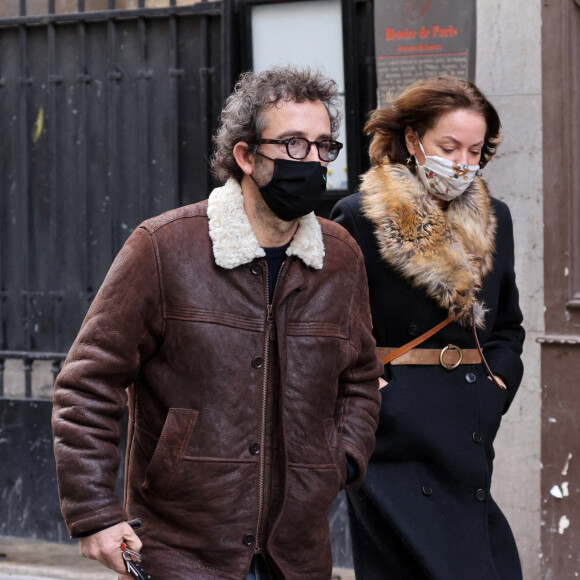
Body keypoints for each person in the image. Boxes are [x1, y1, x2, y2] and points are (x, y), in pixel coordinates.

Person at [52, 66, 383, 580]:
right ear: (246, 155)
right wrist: (95, 514)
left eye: (323, 146)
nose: (313, 160)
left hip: (296, 553)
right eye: (293, 144)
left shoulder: (340, 256)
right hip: (182, 550)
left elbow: (360, 377)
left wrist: (337, 462)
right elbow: (87, 384)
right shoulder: (164, 247)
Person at [330, 76, 525, 580]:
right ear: (413, 139)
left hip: (467, 424)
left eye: (475, 150)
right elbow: (333, 329)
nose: (462, 161)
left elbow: (507, 324)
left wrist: (496, 384)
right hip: (392, 435)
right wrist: (373, 395)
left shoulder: (494, 218)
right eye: (449, 145)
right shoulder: (357, 217)